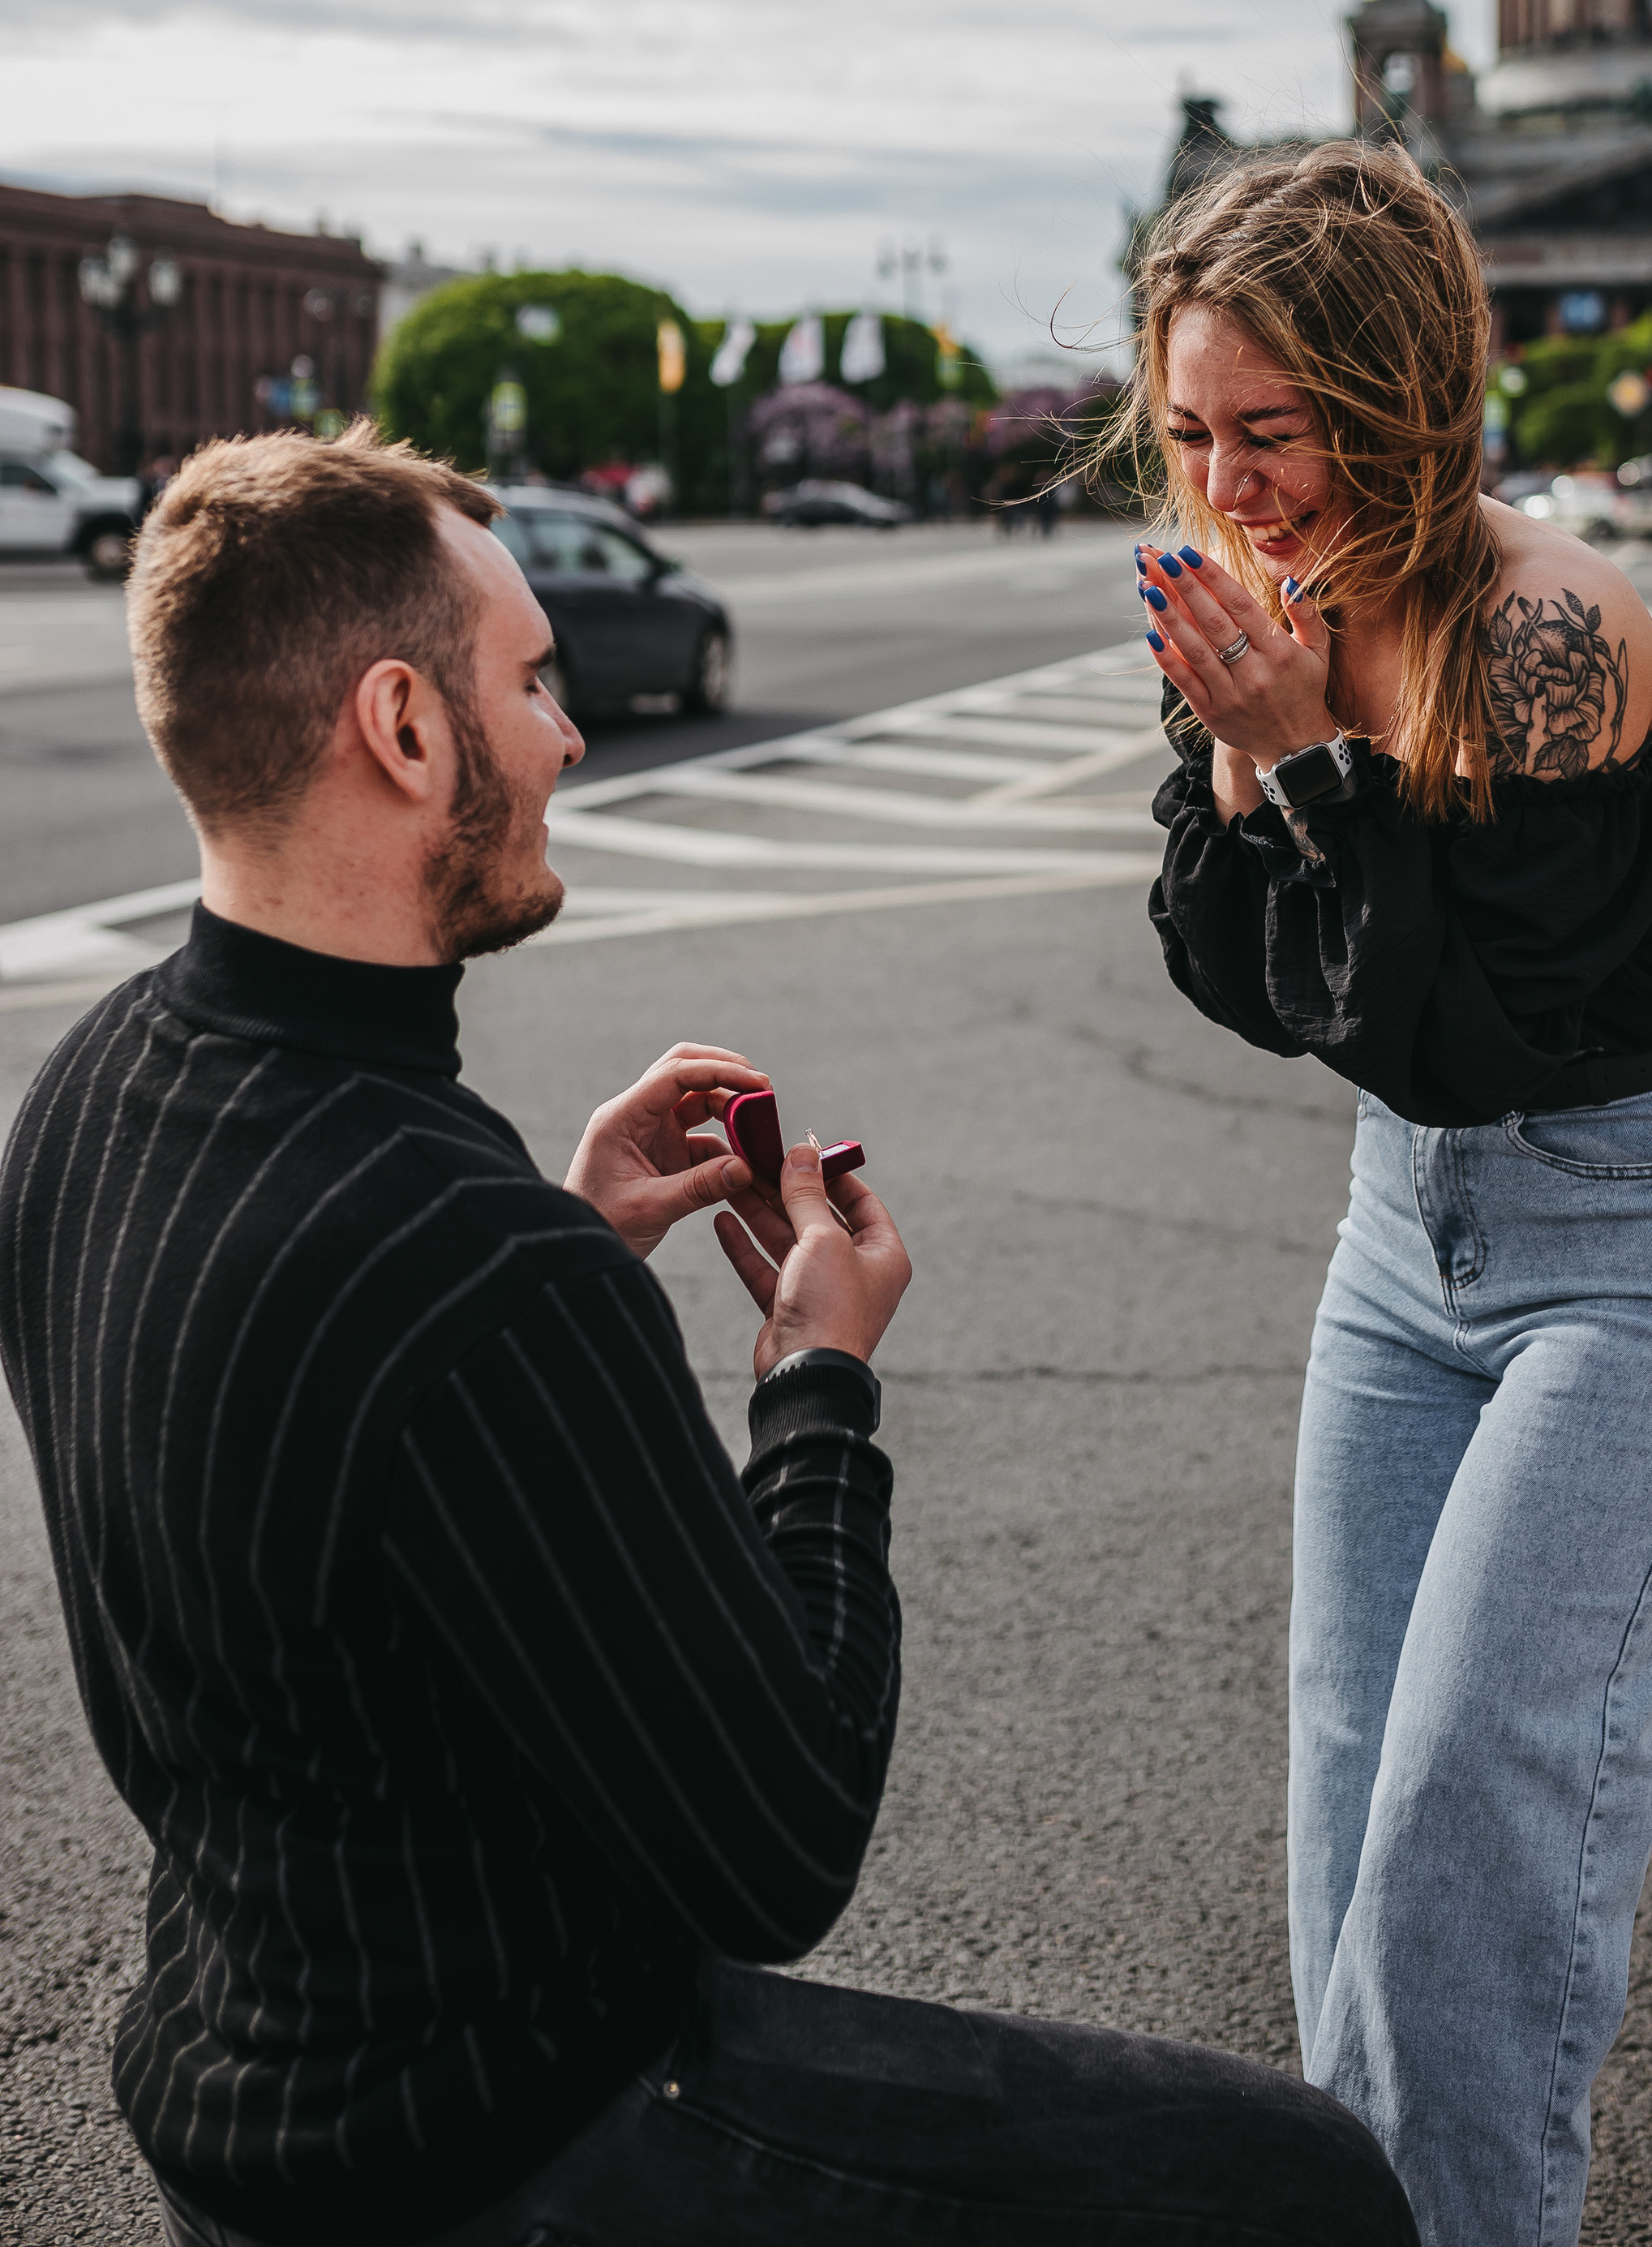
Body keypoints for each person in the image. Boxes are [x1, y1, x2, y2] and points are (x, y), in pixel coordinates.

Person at [0, 423, 1410, 2247]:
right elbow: (778, 1845)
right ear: (404, 732)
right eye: (527, 685)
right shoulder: (477, 1271)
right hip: (504, 2133)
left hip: (232, 2075)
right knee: (1295, 2183)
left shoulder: (92, 1090)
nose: (567, 734)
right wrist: (814, 1383)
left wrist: (564, 1241)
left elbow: (302, 1531)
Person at [1122, 144, 1652, 2247]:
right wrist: (1251, 771)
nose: (1228, 487)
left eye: (1274, 431)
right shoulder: (1268, 614)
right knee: (1346, 1808)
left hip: (1630, 1252)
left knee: (1462, 1848)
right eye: (1186, 435)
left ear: (1401, 398)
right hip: (1399, 1238)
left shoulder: (1550, 635)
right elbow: (1256, 991)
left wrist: (1316, 771)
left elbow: (1469, 1030)